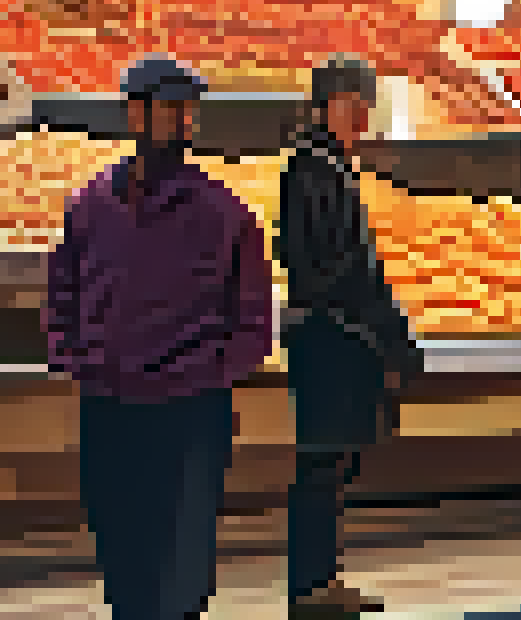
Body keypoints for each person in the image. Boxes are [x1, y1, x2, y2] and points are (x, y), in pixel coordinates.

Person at [46, 57, 273, 620]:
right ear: (134, 114)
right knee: (120, 545)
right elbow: (62, 290)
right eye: (167, 110)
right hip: (109, 404)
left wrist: (205, 373)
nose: (180, 124)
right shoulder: (91, 205)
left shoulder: (225, 213)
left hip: (188, 412)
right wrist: (76, 357)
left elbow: (253, 322)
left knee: (181, 559)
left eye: (186, 113)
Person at [280, 58, 425, 618]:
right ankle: (313, 587)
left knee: (330, 462)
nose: (366, 115)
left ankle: (320, 580)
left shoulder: (320, 167)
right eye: (359, 103)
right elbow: (342, 267)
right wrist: (389, 331)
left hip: (331, 330)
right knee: (323, 462)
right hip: (332, 334)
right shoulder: (317, 171)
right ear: (336, 104)